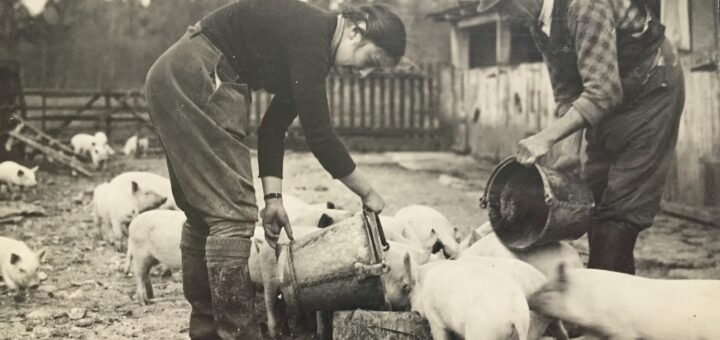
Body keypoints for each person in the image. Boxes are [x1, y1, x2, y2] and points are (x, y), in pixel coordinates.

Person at [144, 0, 406, 338]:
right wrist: (368, 193)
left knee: (203, 212)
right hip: (199, 77)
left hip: (173, 73)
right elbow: (321, 137)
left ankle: (207, 329)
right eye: (370, 61)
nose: (364, 72)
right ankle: (237, 331)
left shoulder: (312, 42)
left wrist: (274, 199)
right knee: (232, 214)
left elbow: (273, 129)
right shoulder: (314, 39)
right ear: (357, 31)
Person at [476, 0, 684, 274]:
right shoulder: (539, 26)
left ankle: (604, 308)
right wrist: (569, 151)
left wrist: (546, 138)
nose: (503, 18)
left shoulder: (585, 6)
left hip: (651, 93)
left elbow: (603, 93)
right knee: (592, 200)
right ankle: (611, 294)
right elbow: (567, 92)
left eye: (504, 7)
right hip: (612, 103)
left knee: (620, 213)